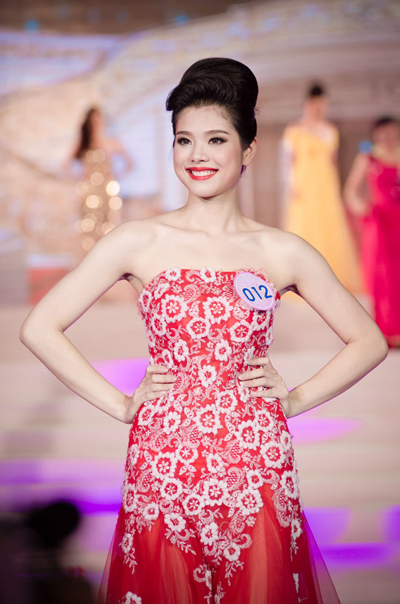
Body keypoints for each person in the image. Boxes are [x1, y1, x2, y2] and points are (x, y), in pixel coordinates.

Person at [20, 58, 388, 603]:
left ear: (248, 150)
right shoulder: (139, 241)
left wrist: (295, 399)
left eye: (216, 140)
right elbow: (41, 327)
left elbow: (369, 341)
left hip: (255, 460)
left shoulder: (280, 251)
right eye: (184, 140)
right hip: (163, 459)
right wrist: (120, 403)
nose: (198, 155)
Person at [282, 83, 361, 293]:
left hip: (325, 183)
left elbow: (334, 162)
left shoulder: (329, 130)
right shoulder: (294, 130)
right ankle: (303, 276)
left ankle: (334, 276)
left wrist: (337, 188)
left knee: (330, 224)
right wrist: (290, 184)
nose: (318, 109)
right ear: (307, 104)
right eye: (314, 105)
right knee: (305, 223)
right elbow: (288, 161)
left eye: (322, 105)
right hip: (304, 183)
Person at [344, 116, 400, 348]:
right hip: (379, 222)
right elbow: (350, 191)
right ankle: (384, 330)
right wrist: (363, 209)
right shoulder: (367, 157)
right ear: (376, 136)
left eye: (392, 134)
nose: (388, 139)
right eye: (383, 135)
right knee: (381, 276)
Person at [69, 107, 133, 254]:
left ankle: (108, 264)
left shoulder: (111, 142)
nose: (96, 122)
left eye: (98, 119)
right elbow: (66, 165)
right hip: (89, 193)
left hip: (107, 193)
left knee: (109, 228)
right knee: (88, 230)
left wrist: (116, 175)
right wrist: (80, 178)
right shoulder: (84, 143)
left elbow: (130, 164)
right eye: (93, 119)